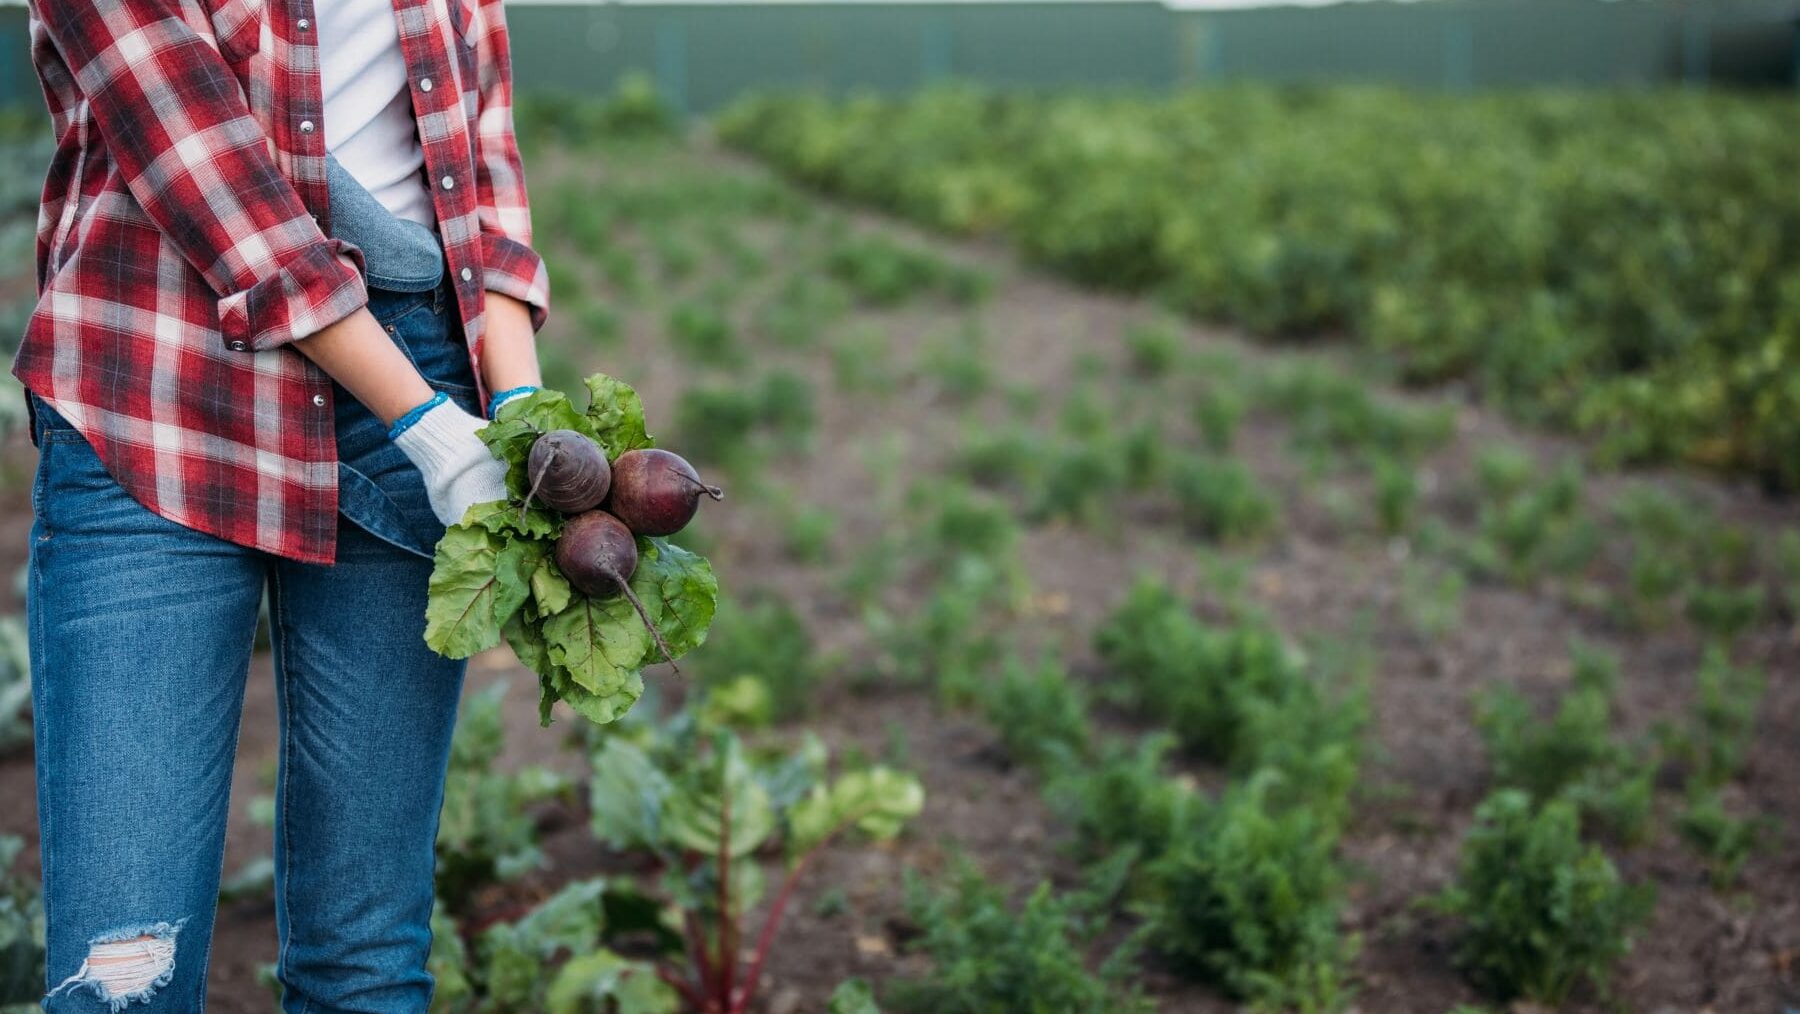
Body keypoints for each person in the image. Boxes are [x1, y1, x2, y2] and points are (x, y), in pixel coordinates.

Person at [17, 0, 551, 1008]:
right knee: (124, 975)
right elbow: (191, 145)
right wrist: (427, 426)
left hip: (420, 368)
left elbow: (482, 147)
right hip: (158, 384)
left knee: (366, 961)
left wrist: (516, 402)